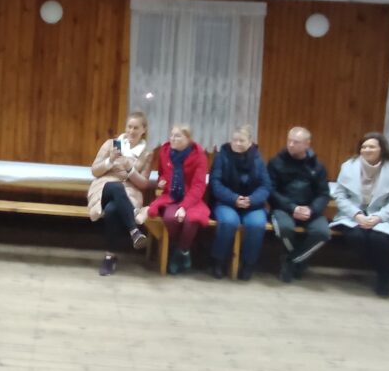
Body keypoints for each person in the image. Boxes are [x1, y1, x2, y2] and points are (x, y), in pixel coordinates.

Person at [331, 132, 389, 297]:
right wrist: (356, 215)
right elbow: (340, 195)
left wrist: (378, 217)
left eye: (371, 147)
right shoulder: (348, 166)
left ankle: (383, 279)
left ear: (381, 149)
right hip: (352, 215)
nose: (367, 150)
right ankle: (386, 270)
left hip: (381, 216)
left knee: (378, 239)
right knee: (357, 237)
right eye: (364, 147)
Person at [87, 112, 152, 276]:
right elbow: (95, 171)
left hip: (129, 191)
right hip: (104, 187)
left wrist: (129, 169)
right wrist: (110, 160)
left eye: (136, 128)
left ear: (143, 130)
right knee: (116, 187)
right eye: (129, 127)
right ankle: (134, 230)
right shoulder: (111, 144)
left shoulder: (146, 154)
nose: (131, 131)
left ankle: (109, 257)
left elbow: (143, 183)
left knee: (112, 210)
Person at [267, 127, 331, 283]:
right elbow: (271, 191)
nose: (290, 144)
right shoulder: (276, 163)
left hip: (310, 211)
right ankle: (296, 261)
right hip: (283, 209)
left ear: (307, 144)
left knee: (323, 233)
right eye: (289, 141)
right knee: (284, 229)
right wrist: (292, 207)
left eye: (296, 142)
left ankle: (292, 260)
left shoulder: (317, 166)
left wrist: (311, 209)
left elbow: (323, 193)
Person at [210, 125, 270, 280]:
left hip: (253, 205)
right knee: (228, 222)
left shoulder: (258, 159)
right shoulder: (221, 157)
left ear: (250, 142)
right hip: (226, 202)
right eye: (234, 140)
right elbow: (215, 183)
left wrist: (251, 200)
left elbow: (265, 186)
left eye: (241, 140)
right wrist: (234, 198)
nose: (237, 143)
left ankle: (248, 264)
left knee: (256, 224)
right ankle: (219, 262)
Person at [148, 125, 208, 275]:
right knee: (170, 218)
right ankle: (177, 249)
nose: (173, 139)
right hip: (171, 196)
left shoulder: (199, 156)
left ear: (188, 139)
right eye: (172, 135)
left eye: (178, 136)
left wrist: (184, 207)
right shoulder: (165, 152)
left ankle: (181, 251)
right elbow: (162, 174)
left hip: (192, 198)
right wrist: (161, 181)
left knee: (190, 220)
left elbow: (198, 186)